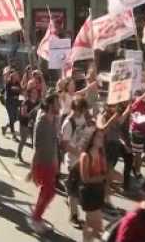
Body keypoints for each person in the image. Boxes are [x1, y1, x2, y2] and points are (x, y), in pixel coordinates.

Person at [28, 93, 61, 233]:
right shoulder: (42, 122)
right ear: (50, 105)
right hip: (42, 163)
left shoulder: (53, 120)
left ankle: (37, 216)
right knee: (47, 191)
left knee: (50, 192)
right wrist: (32, 169)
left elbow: (54, 143)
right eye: (57, 103)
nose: (59, 106)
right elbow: (37, 146)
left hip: (51, 162)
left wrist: (56, 161)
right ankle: (35, 218)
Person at [61, 97, 92, 228]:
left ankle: (68, 191)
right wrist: (79, 153)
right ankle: (73, 217)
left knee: (78, 188)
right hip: (73, 160)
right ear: (75, 109)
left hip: (82, 158)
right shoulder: (68, 123)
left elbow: (85, 134)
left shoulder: (82, 118)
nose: (83, 113)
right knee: (74, 191)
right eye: (82, 110)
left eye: (84, 110)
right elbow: (65, 145)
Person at [79, 127, 107, 242]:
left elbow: (104, 172)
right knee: (94, 224)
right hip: (89, 193)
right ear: (92, 139)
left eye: (102, 137)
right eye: (99, 137)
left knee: (94, 224)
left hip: (98, 191)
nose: (102, 140)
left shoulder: (100, 154)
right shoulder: (85, 156)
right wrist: (102, 177)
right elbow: (85, 179)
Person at [17, 89, 40, 162]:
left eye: (36, 93)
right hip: (24, 123)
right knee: (23, 139)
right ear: (30, 94)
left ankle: (36, 158)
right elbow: (23, 114)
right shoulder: (25, 102)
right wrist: (32, 113)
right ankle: (19, 153)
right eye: (33, 93)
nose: (35, 94)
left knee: (35, 141)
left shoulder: (38, 102)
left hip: (33, 124)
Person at [1, 70, 21, 140]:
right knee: (11, 117)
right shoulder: (8, 83)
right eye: (15, 75)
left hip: (15, 102)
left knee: (17, 117)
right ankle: (13, 135)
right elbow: (8, 93)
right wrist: (15, 91)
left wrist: (16, 91)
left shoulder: (18, 83)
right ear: (12, 76)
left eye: (17, 75)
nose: (17, 76)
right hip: (9, 102)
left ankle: (5, 127)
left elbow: (19, 92)